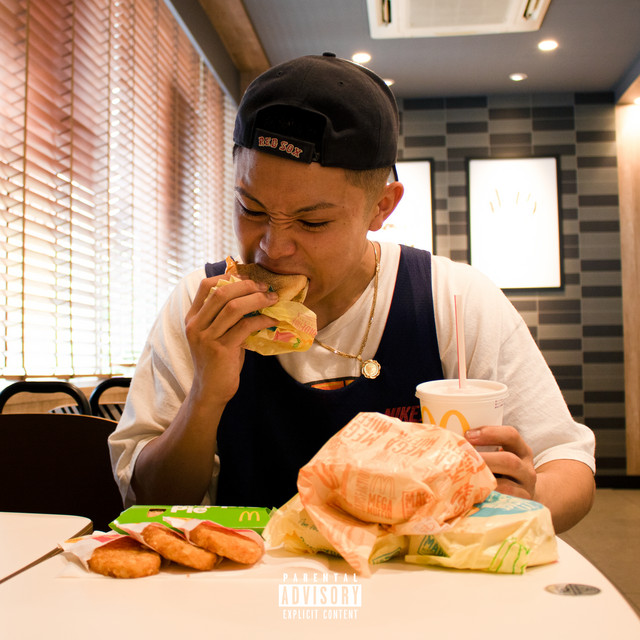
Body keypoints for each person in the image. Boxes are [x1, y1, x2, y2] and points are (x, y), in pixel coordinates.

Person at [109, 53, 595, 533]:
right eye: (251, 209)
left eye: (312, 222)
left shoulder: (450, 297)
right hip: (244, 578)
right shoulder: (203, 304)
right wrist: (205, 396)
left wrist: (528, 498)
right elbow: (147, 499)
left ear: (381, 207)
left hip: (416, 581)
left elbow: (569, 468)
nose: (273, 247)